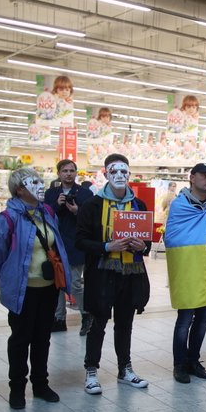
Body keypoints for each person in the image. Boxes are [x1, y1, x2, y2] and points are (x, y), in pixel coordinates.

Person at [0, 167, 72, 409]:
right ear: (19, 189)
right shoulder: (7, 219)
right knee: (20, 340)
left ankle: (41, 385)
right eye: (33, 182)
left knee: (43, 338)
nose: (40, 185)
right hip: (23, 292)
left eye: (40, 180)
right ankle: (17, 389)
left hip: (48, 288)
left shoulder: (46, 212)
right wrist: (9, 283)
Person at [75, 155, 152, 395]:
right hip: (101, 273)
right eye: (114, 171)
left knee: (125, 324)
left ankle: (125, 369)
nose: (119, 176)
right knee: (97, 323)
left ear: (129, 174)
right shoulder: (93, 205)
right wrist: (107, 247)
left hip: (131, 273)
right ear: (106, 174)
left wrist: (143, 247)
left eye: (124, 172)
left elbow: (147, 240)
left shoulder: (138, 205)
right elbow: (80, 240)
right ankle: (91, 370)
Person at [166, 163, 206, 383]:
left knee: (203, 319)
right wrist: (201, 243)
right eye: (204, 176)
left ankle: (193, 360)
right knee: (185, 319)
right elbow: (172, 239)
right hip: (189, 269)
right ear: (192, 177)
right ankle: (179, 364)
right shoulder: (180, 205)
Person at [45, 159, 95, 335]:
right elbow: (45, 215)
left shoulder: (85, 194)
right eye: (64, 170)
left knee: (75, 283)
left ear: (76, 173)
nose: (68, 174)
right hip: (56, 243)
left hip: (76, 243)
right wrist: (55, 206)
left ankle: (86, 315)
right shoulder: (51, 193)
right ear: (58, 173)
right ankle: (59, 318)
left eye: (71, 170)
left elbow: (91, 219)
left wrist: (77, 211)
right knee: (57, 282)